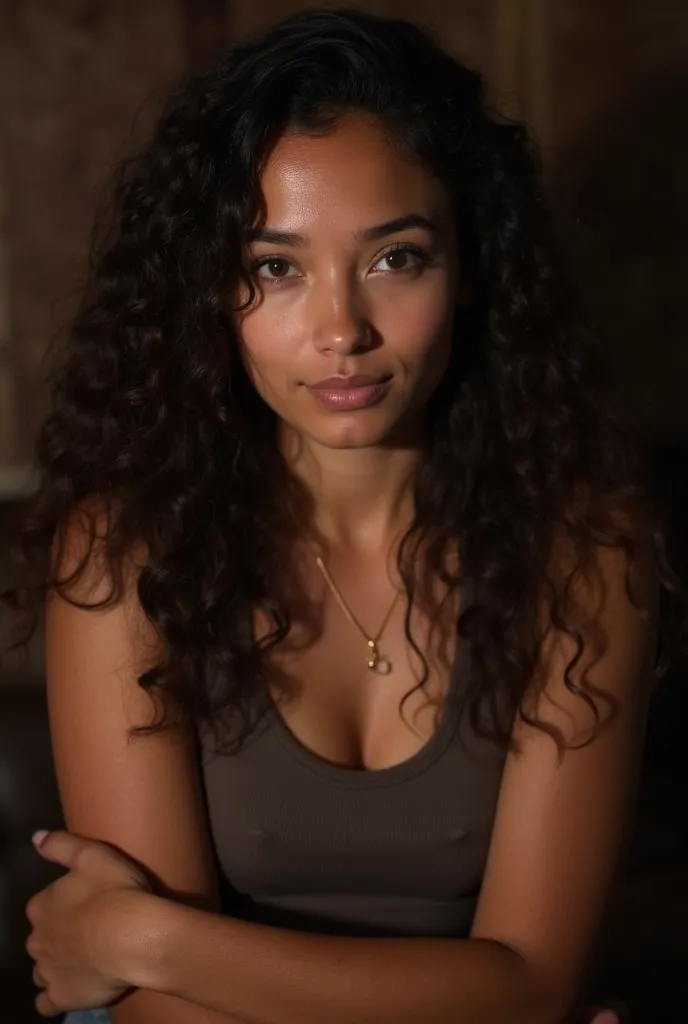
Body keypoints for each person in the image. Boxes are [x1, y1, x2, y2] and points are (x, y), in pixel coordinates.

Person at [6, 8, 684, 1024]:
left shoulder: (583, 555)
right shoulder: (126, 552)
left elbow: (534, 984)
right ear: (212, 293)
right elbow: (156, 1014)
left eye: (393, 258)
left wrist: (144, 936)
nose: (340, 332)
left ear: (467, 271)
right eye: (275, 267)